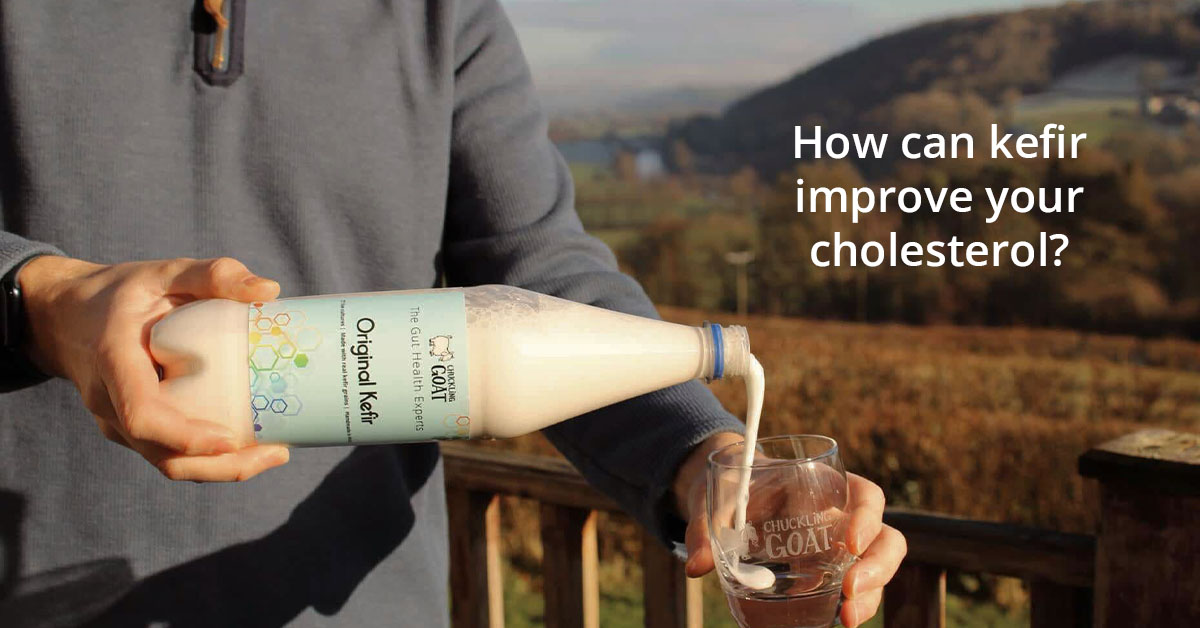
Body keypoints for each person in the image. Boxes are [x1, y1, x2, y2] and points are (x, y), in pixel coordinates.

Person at [0, 1, 905, 625]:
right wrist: (38, 299)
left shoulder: (440, 14)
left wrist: (707, 460)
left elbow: (539, 283)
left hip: (362, 610)